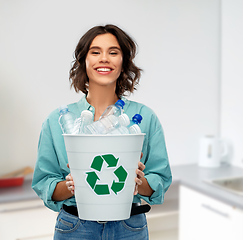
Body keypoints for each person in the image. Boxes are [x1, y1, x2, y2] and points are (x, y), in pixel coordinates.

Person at [32, 24, 172, 240]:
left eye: (113, 52)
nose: (104, 58)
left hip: (129, 227)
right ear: (84, 62)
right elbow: (44, 183)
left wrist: (137, 183)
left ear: (123, 62)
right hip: (75, 227)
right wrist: (70, 185)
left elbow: (160, 180)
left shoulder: (146, 117)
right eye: (95, 52)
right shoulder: (56, 121)